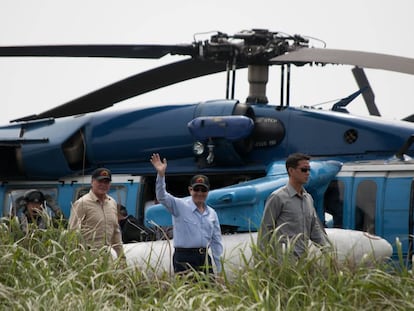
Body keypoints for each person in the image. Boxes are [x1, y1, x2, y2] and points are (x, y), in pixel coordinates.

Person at [150, 153, 223, 275]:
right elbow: (162, 196)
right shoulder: (180, 206)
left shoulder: (212, 213)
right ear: (190, 190)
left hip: (204, 257)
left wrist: (220, 269)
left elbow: (216, 242)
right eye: (196, 189)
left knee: (208, 291)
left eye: (203, 190)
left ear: (208, 191)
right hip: (184, 258)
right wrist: (161, 174)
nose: (200, 193)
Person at [258, 153, 330, 257]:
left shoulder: (308, 199)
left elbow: (315, 230)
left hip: (302, 262)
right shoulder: (278, 197)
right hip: (283, 263)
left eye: (309, 170)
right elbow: (265, 230)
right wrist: (261, 261)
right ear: (291, 171)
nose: (308, 173)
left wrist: (329, 254)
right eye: (304, 170)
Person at [68, 168, 124, 258]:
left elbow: (116, 233)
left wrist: (121, 257)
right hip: (87, 258)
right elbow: (72, 233)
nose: (103, 185)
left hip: (107, 257)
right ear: (92, 182)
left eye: (106, 182)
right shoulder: (82, 203)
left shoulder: (112, 203)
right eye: (100, 181)